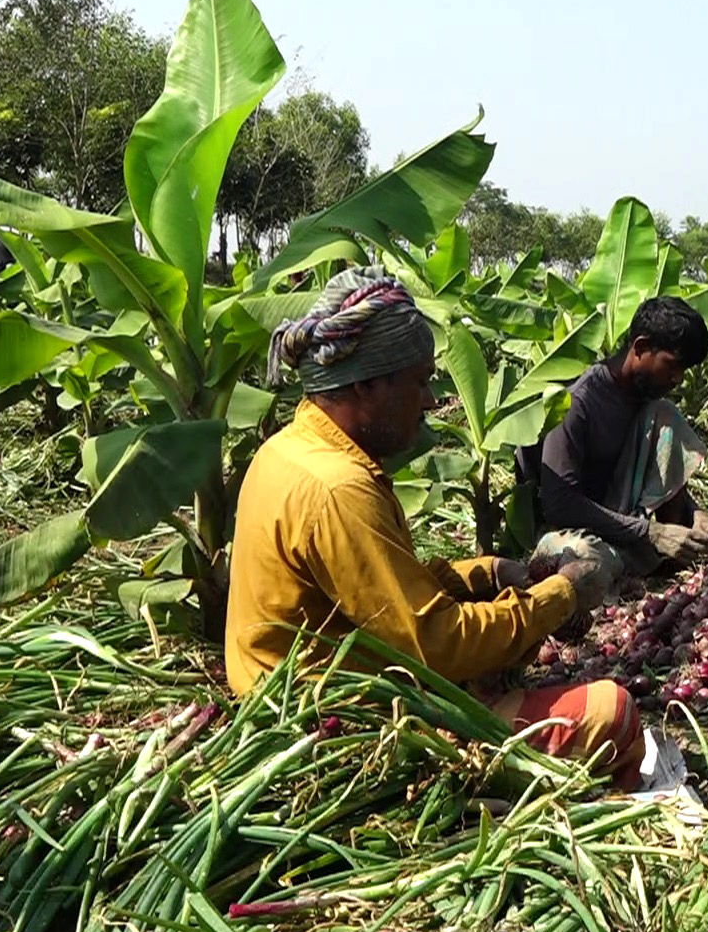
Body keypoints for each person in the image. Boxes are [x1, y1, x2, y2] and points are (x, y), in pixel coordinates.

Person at [226, 267, 645, 786]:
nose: (429, 402)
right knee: (615, 712)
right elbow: (434, 643)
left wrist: (488, 571)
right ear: (365, 385)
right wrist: (562, 593)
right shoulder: (339, 489)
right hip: (338, 725)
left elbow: (378, 592)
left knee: (509, 640)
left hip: (308, 683)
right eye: (419, 382)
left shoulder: (291, 450)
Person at [520, 295, 708, 576]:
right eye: (672, 365)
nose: (678, 379)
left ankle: (674, 557)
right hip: (572, 530)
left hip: (626, 524)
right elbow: (560, 503)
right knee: (584, 563)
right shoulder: (578, 401)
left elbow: (655, 474)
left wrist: (697, 516)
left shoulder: (648, 397)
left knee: (666, 414)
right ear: (640, 347)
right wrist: (650, 533)